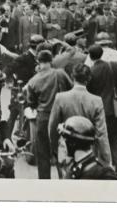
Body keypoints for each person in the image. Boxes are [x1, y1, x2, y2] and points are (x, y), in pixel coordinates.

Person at [48, 64, 113, 173]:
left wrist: (54, 150)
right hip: (88, 152)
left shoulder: (60, 97)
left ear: (72, 76)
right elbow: (102, 133)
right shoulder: (96, 101)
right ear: (88, 79)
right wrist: (107, 160)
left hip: (65, 149)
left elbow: (52, 127)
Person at [25, 49, 73, 179]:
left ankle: (44, 181)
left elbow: (31, 102)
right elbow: (71, 88)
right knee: (61, 150)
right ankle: (63, 177)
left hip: (43, 117)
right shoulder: (60, 73)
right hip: (61, 117)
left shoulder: (33, 80)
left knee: (43, 152)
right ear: (51, 60)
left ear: (38, 61)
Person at [86, 43, 117, 177]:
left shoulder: (91, 71)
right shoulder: (114, 66)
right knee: (115, 137)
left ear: (90, 57)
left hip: (97, 108)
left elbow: (89, 90)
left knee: (98, 137)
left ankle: (102, 166)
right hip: (112, 107)